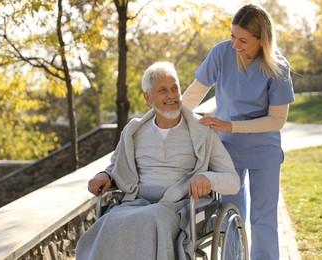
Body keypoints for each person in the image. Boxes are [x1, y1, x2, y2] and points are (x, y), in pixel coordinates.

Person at [75, 61, 240, 260]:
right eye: (163, 90)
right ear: (148, 97)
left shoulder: (201, 131)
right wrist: (105, 174)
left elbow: (233, 180)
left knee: (151, 218)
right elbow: (116, 165)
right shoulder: (134, 131)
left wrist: (208, 179)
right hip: (136, 202)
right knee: (108, 222)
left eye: (174, 88)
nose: (171, 95)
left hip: (179, 205)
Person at [182, 4, 295, 260]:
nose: (235, 45)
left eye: (243, 40)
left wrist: (230, 125)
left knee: (263, 218)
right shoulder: (221, 53)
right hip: (228, 149)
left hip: (264, 151)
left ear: (261, 40)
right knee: (232, 213)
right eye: (233, 36)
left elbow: (276, 120)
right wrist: (167, 117)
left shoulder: (278, 68)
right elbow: (195, 93)